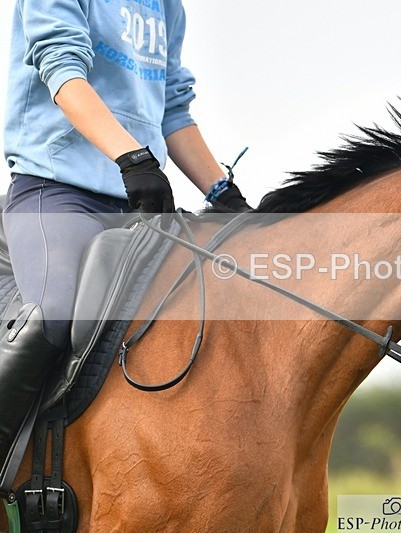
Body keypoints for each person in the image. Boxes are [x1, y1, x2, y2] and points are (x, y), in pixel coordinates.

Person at [0, 0, 251, 467]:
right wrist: (132, 159)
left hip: (140, 200)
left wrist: (222, 192)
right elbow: (63, 70)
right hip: (56, 190)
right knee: (50, 317)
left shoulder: (165, 7)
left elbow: (172, 109)